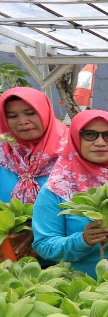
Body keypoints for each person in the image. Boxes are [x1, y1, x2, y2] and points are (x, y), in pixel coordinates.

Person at [33, 110, 108, 278]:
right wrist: (81, 240)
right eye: (90, 134)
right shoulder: (57, 187)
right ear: (76, 138)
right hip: (84, 288)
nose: (100, 142)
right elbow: (44, 245)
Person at [0, 87, 68, 259]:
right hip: (12, 261)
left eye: (30, 113)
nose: (22, 121)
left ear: (44, 112)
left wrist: (38, 231)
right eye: (12, 116)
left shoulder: (74, 154)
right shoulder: (3, 157)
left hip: (70, 257)